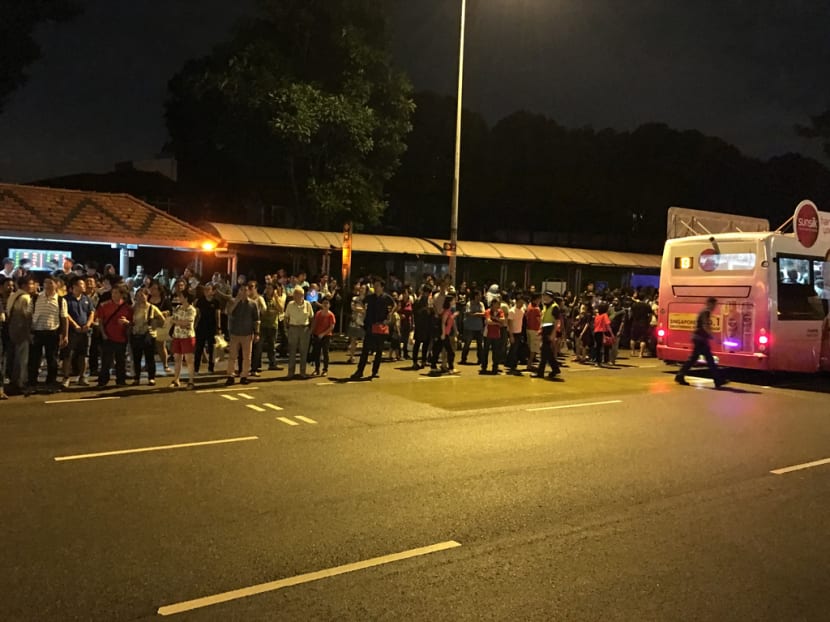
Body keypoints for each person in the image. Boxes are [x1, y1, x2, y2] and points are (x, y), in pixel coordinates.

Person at [28, 275, 68, 392]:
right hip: (37, 332)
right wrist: (29, 332)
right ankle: (32, 383)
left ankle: (50, 383)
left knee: (52, 359)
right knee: (34, 359)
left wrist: (65, 335)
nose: (47, 285)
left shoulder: (61, 300)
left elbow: (64, 319)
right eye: (45, 283)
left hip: (52, 333)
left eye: (50, 283)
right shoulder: (35, 298)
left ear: (57, 285)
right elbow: (29, 316)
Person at [675, 297, 727, 388]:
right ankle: (718, 380)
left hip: (699, 338)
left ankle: (680, 375)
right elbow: (705, 325)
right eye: (714, 305)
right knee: (708, 360)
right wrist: (713, 337)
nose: (715, 307)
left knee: (697, 359)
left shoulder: (704, 311)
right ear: (710, 304)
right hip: (700, 339)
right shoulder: (706, 312)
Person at [351, 278, 395, 380]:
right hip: (370, 326)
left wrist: (389, 315)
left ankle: (375, 371)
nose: (375, 288)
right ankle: (360, 371)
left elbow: (394, 305)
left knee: (379, 350)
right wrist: (363, 311)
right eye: (374, 286)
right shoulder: (370, 298)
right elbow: (361, 302)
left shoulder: (386, 298)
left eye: (378, 286)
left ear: (382, 287)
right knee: (365, 349)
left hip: (380, 326)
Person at [96, 284, 133, 387]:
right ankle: (103, 380)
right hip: (108, 337)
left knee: (121, 361)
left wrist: (127, 322)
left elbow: (131, 323)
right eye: (112, 293)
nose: (113, 295)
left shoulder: (127, 308)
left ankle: (121, 380)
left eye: (116, 293)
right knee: (106, 361)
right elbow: (100, 321)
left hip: (121, 337)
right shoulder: (104, 305)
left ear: (122, 295)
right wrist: (103, 334)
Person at [225, 282, 260, 386]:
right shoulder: (233, 301)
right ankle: (230, 375)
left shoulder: (253, 304)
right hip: (235, 333)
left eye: (246, 290)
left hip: (247, 333)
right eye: (242, 290)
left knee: (247, 356)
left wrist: (257, 332)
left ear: (249, 291)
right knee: (232, 356)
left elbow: (256, 320)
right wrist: (236, 301)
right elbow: (229, 312)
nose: (244, 292)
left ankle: (244, 375)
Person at [62, 276, 95, 388]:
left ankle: (82, 376)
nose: (84, 286)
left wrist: (88, 324)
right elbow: (65, 314)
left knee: (84, 355)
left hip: (85, 331)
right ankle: (66, 377)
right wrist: (75, 325)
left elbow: (91, 312)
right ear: (74, 286)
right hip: (71, 331)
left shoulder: (87, 299)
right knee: (68, 355)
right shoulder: (66, 299)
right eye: (81, 284)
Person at [130, 287, 164, 386]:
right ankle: (136, 378)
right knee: (137, 358)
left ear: (147, 296)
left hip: (148, 335)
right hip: (136, 334)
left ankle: (151, 377)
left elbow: (162, 321)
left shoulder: (152, 308)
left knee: (149, 358)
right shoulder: (133, 308)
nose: (140, 298)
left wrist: (154, 324)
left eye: (142, 295)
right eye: (138, 296)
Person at [284, 286, 314, 379]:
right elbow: (286, 317)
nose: (296, 296)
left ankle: (302, 372)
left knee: (303, 351)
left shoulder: (308, 304)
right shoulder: (290, 304)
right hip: (293, 328)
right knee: (292, 351)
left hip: (304, 329)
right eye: (295, 294)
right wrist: (287, 329)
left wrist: (310, 330)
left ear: (302, 295)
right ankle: (290, 372)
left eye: (298, 294)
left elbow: (311, 317)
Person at [170, 290, 197, 389]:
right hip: (177, 335)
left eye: (181, 296)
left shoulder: (191, 309)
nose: (179, 298)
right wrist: (177, 322)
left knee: (189, 360)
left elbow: (187, 323)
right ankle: (176, 379)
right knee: (177, 358)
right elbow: (174, 320)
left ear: (186, 298)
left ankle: (191, 380)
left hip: (187, 336)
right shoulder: (178, 308)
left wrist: (175, 321)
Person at [537, 290, 562, 379]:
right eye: (544, 296)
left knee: (545, 351)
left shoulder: (554, 307)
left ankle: (541, 372)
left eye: (546, 297)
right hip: (545, 329)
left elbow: (556, 321)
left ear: (551, 298)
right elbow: (544, 319)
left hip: (550, 329)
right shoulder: (545, 306)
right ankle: (555, 369)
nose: (544, 298)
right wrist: (540, 329)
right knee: (547, 352)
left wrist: (553, 334)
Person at [310, 296, 336, 376]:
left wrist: (323, 334)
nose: (325, 305)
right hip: (317, 335)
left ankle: (325, 369)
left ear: (329, 305)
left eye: (327, 303)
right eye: (324, 303)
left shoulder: (331, 315)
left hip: (326, 336)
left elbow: (331, 327)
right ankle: (316, 369)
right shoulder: (318, 313)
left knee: (325, 353)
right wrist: (312, 332)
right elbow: (314, 323)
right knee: (317, 353)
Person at [480, 297, 505, 374]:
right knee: (485, 351)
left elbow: (503, 320)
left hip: (496, 334)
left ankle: (495, 367)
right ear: (493, 304)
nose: (499, 306)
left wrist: (494, 318)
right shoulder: (488, 311)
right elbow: (488, 321)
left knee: (496, 352)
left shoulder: (500, 311)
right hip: (488, 334)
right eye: (497, 304)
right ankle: (484, 366)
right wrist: (497, 323)